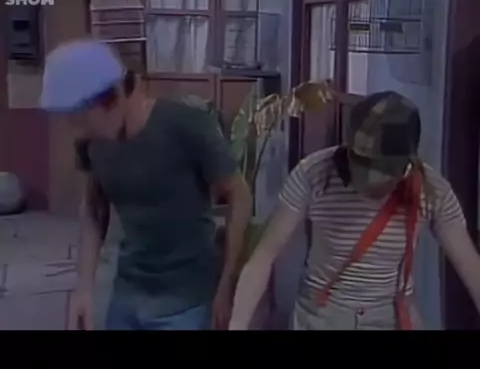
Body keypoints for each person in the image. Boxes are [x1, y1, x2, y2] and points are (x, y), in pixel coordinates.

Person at [40, 39, 252, 331]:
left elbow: (240, 196)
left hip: (187, 300)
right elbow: (94, 209)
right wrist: (84, 287)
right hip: (129, 292)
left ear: (114, 97)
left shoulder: (188, 127)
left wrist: (227, 284)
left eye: (81, 118)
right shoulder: (92, 143)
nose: (77, 130)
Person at [229, 90, 480, 330]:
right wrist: (238, 324)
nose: (368, 181)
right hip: (322, 317)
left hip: (389, 317)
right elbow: (263, 257)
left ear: (407, 165)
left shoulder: (430, 189)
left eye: (382, 174)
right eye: (360, 165)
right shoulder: (314, 174)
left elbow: (470, 267)